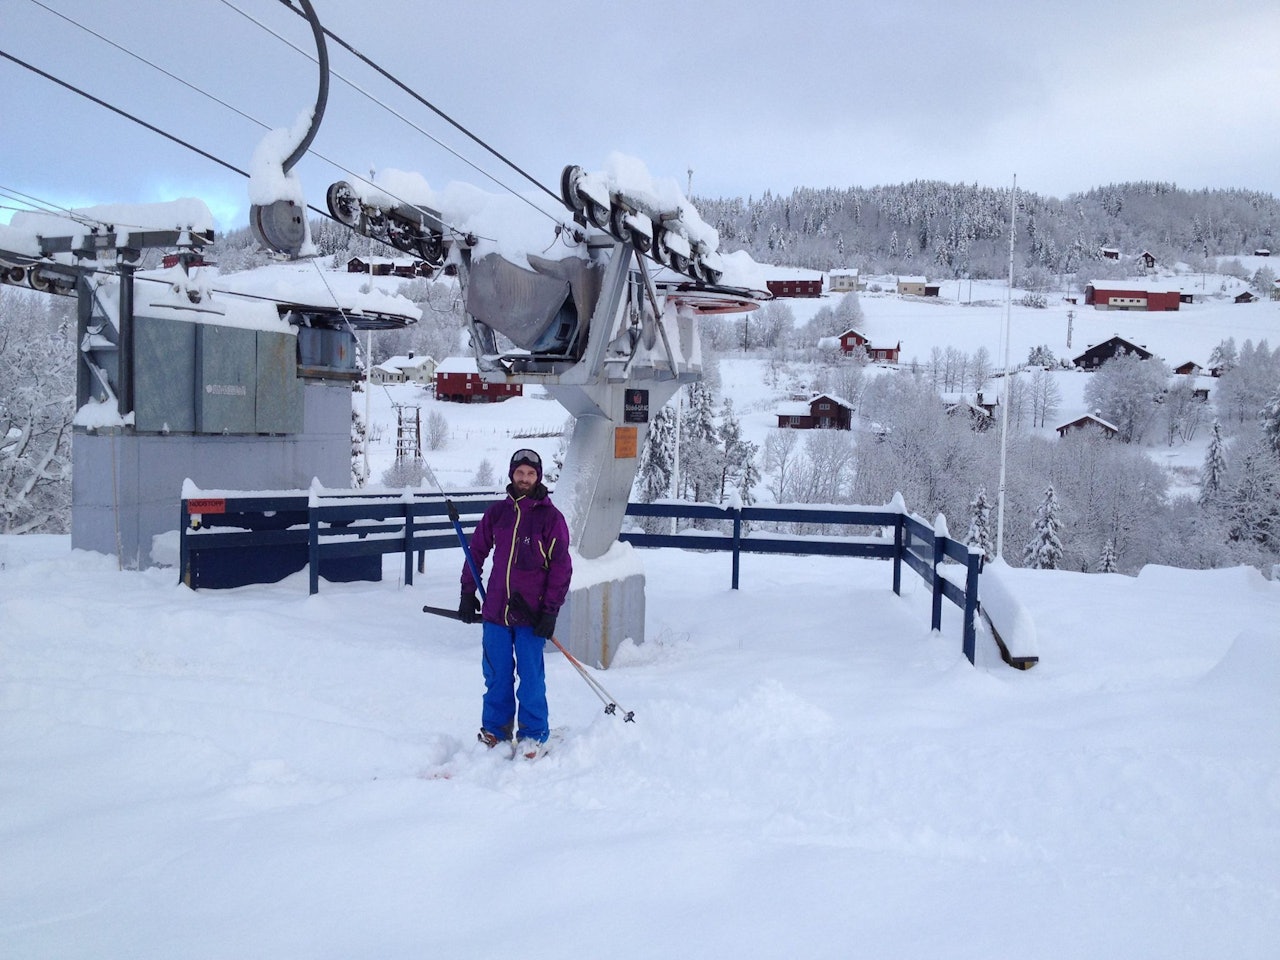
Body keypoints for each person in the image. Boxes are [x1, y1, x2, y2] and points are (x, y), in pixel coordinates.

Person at [459, 448, 572, 756]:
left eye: (530, 474)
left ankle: (533, 735)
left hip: (531, 615)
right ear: (512, 475)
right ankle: (495, 730)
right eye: (520, 473)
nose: (524, 479)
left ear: (538, 477)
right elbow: (476, 551)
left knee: (531, 678)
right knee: (496, 674)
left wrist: (550, 612)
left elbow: (562, 568)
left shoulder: (551, 519)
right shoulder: (498, 513)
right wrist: (468, 592)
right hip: (496, 610)